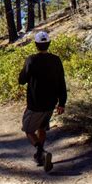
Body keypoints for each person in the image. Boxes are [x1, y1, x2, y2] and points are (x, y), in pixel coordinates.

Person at [18, 31, 67, 172]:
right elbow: (61, 82)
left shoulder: (31, 60)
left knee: (28, 129)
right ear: (49, 44)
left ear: (36, 44)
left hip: (35, 105)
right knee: (42, 128)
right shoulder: (56, 60)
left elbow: (21, 81)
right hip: (51, 104)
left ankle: (41, 152)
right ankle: (40, 157)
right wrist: (62, 103)